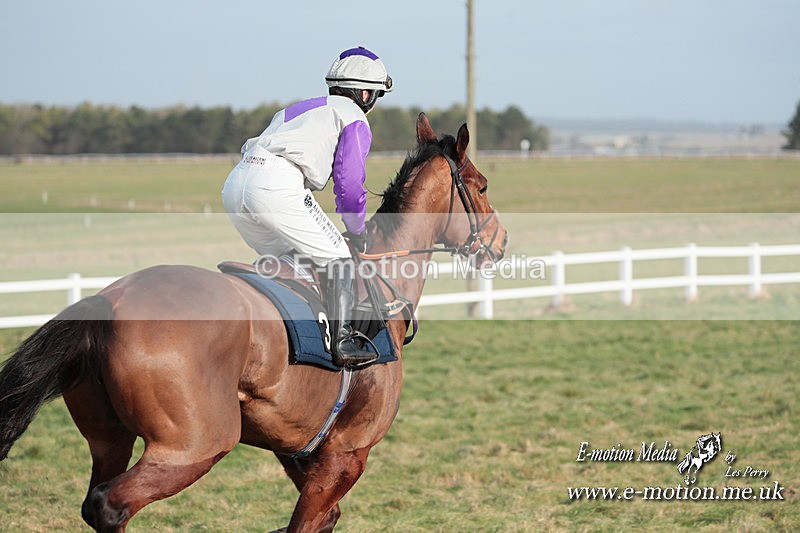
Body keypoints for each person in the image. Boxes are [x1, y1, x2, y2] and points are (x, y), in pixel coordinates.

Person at [222, 46, 393, 367]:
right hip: (276, 186)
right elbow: (349, 183)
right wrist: (357, 229)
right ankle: (343, 341)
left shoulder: (297, 109)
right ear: (366, 94)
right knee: (339, 258)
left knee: (293, 263)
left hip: (236, 184)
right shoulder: (354, 117)